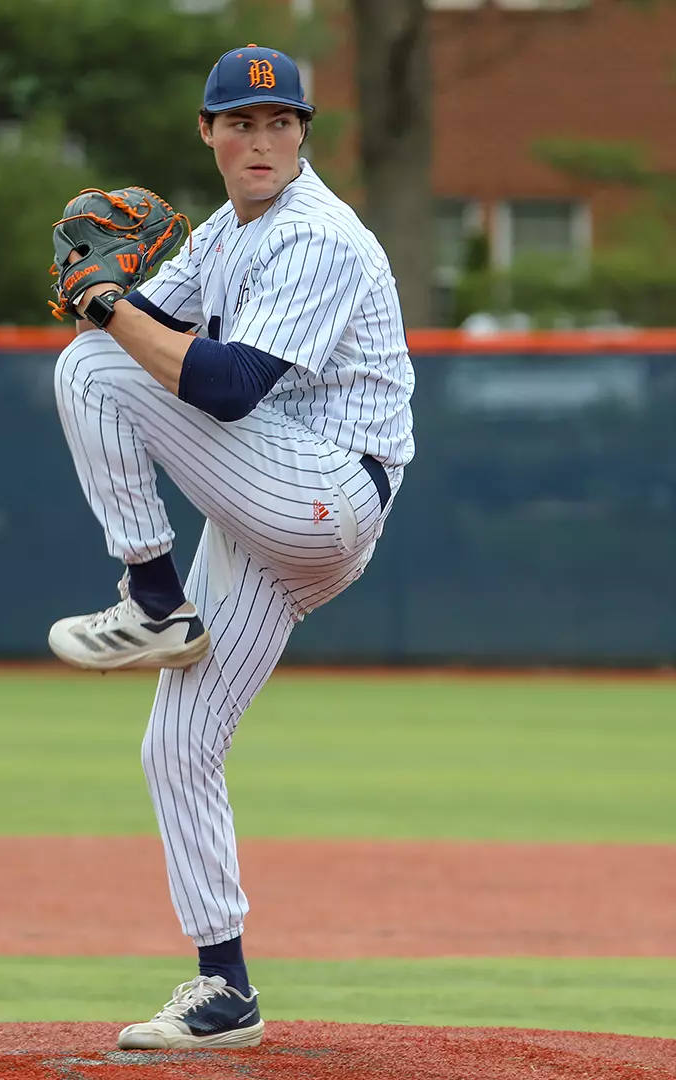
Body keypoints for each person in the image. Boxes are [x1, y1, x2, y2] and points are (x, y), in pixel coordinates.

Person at [46, 44, 416, 1051]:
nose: (262, 141)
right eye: (241, 124)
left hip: (325, 495)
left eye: (280, 122)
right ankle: (226, 988)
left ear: (304, 133)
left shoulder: (317, 236)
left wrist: (101, 307)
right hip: (268, 513)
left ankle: (155, 600)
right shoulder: (222, 235)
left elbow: (221, 386)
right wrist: (97, 292)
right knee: (176, 745)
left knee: (90, 367)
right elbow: (149, 322)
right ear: (207, 134)